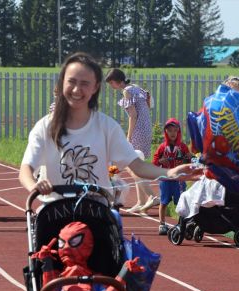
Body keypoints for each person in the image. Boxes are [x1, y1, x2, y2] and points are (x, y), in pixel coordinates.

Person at [19, 52, 195, 203]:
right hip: (55, 211)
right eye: (71, 82)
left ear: (95, 87)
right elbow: (26, 169)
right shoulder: (44, 127)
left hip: (97, 213)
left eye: (85, 83)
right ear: (62, 83)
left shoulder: (107, 127)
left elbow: (138, 166)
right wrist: (34, 185)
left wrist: (171, 172)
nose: (76, 90)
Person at [105, 68, 157, 213]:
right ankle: (141, 201)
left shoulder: (127, 91)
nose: (111, 87)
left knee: (133, 165)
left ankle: (151, 196)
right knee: (136, 163)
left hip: (138, 130)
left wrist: (128, 136)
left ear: (115, 82)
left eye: (111, 84)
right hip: (146, 128)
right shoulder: (136, 88)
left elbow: (132, 116)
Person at [152, 118, 190, 235]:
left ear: (178, 132)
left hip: (179, 180)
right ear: (166, 132)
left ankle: (182, 224)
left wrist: (189, 157)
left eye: (175, 130)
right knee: (163, 202)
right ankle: (162, 224)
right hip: (166, 180)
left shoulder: (183, 147)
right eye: (170, 130)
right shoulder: (162, 147)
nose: (173, 133)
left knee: (182, 203)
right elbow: (154, 162)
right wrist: (160, 161)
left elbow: (189, 161)